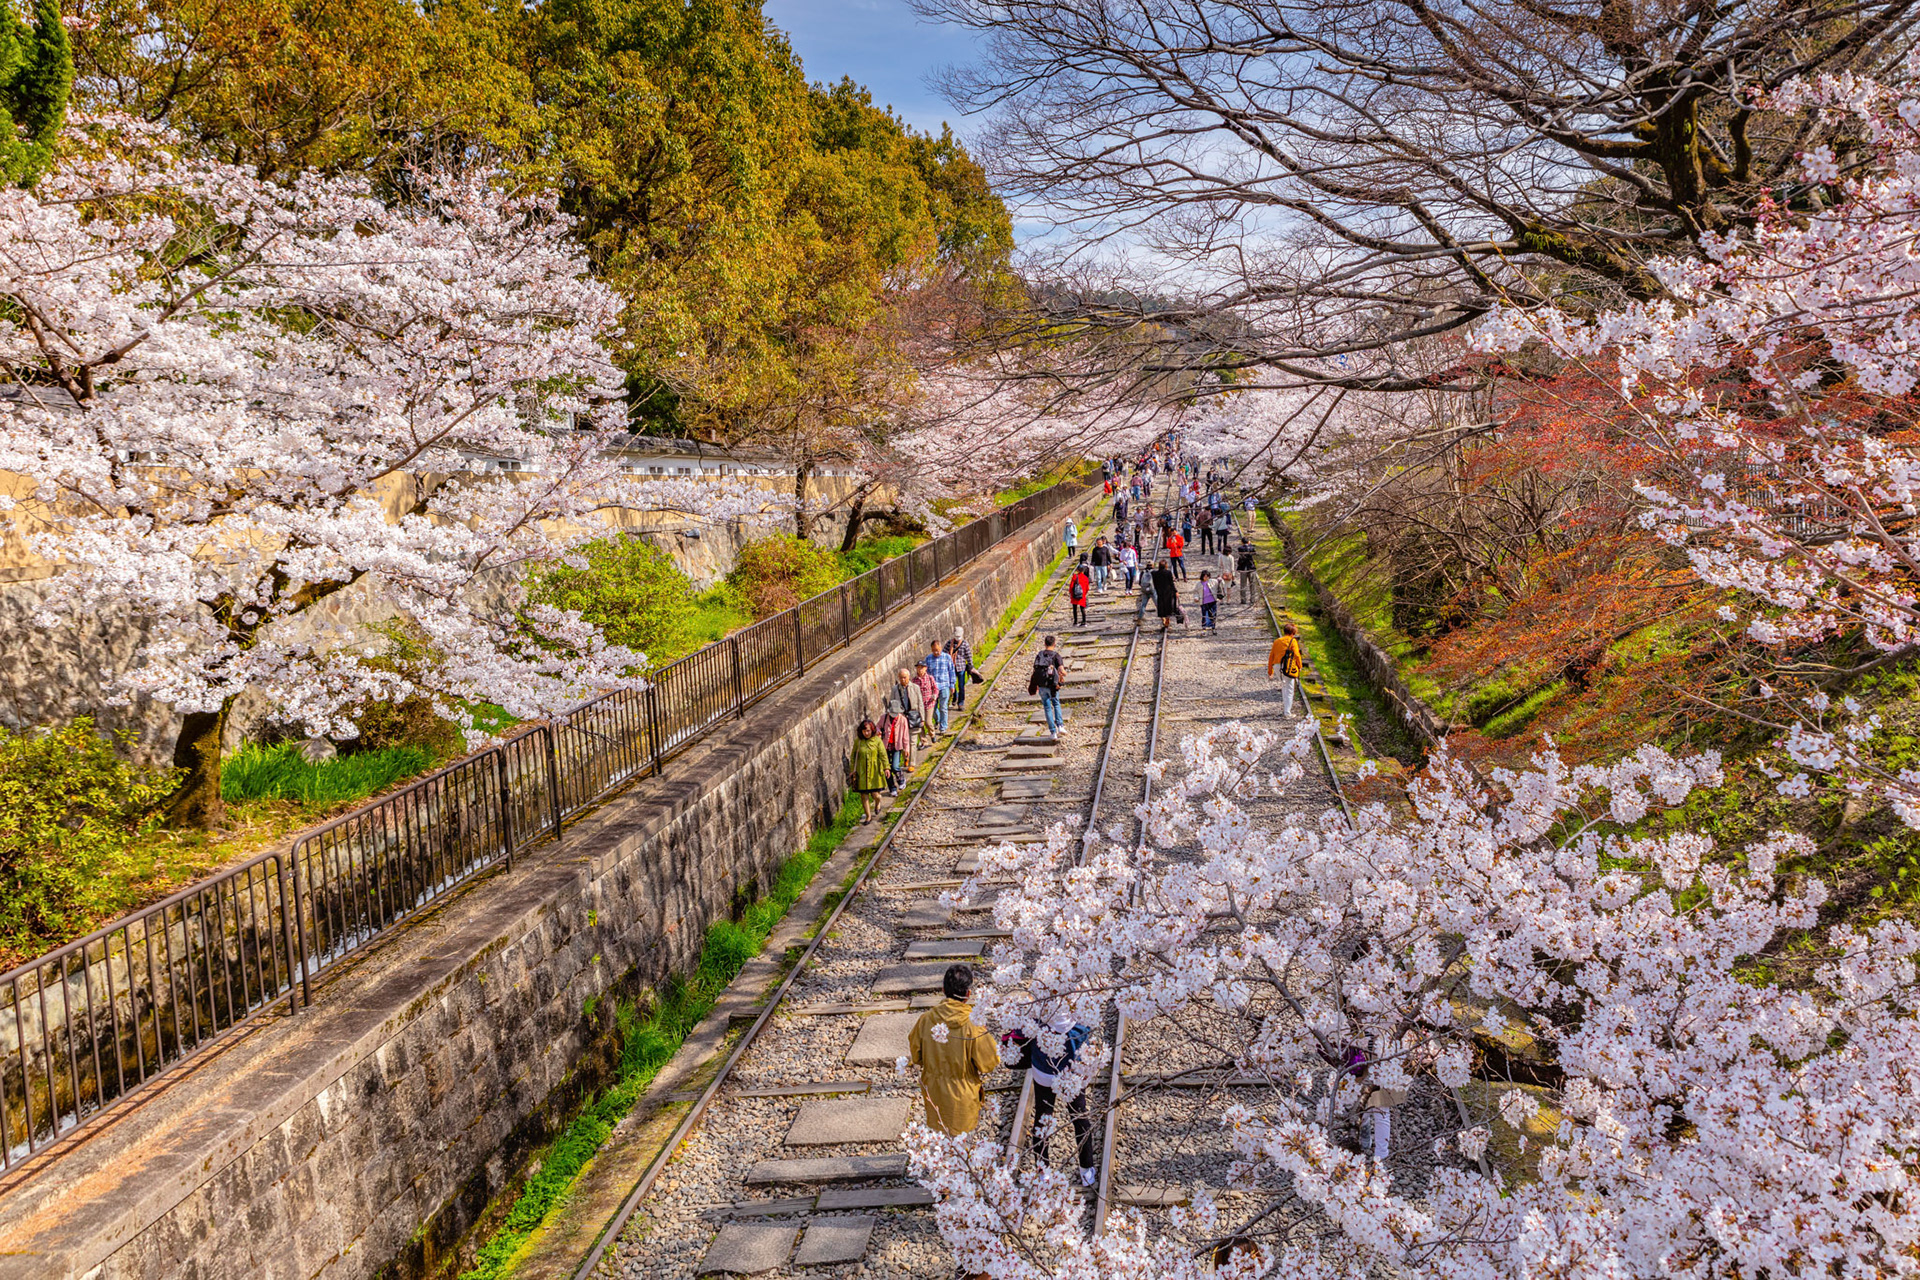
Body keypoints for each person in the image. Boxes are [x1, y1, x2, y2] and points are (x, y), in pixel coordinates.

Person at [908, 964, 1002, 1136]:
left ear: (943, 989)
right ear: (968, 994)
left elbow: (916, 1055)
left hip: (935, 1095)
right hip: (963, 1098)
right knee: (962, 1149)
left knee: (938, 1145)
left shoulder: (926, 1020)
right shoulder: (973, 1025)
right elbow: (988, 1063)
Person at [1006, 1014, 1097, 1187]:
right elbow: (1088, 1030)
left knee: (1042, 1118)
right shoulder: (1078, 1021)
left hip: (1043, 1074)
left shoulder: (1035, 1018)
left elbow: (1020, 1032)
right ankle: (1086, 1169)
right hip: (1073, 1075)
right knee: (1079, 1118)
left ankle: (1043, 1171)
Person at [883, 668, 920, 790]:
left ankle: (911, 763)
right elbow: (892, 703)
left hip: (913, 715)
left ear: (909, 677)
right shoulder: (895, 689)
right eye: (901, 677)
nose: (903, 679)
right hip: (900, 717)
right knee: (902, 740)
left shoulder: (915, 687)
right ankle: (906, 757)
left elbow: (920, 703)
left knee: (912, 741)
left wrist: (922, 718)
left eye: (905, 677)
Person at [850, 719, 889, 822]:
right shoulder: (858, 741)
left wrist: (886, 767)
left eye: (868, 731)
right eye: (864, 731)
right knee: (864, 795)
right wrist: (852, 769)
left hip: (874, 772)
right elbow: (853, 756)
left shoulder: (877, 741)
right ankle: (868, 816)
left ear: (872, 730)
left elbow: (883, 755)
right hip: (862, 772)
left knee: (876, 795)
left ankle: (877, 803)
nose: (866, 733)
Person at [1268, 621, 1306, 716]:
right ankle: (1287, 713)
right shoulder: (1293, 641)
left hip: (1277, 666)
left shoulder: (1277, 641)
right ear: (1293, 633)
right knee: (1289, 688)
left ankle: (1286, 710)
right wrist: (1300, 666)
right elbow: (1297, 655)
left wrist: (1270, 671)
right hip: (1288, 666)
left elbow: (1271, 656)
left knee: (1284, 686)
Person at [1029, 634, 1065, 734]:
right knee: (1056, 704)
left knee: (1047, 707)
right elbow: (1062, 670)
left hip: (1042, 685)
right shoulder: (1056, 655)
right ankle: (1060, 726)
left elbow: (1035, 670)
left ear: (1045, 644)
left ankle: (1053, 732)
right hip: (1053, 685)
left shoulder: (1039, 655)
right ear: (1054, 644)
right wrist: (1063, 674)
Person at [925, 640, 956, 735]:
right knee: (933, 708)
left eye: (937, 650)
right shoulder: (928, 659)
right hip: (933, 688)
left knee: (943, 707)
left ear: (941, 648)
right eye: (934, 650)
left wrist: (952, 685)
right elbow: (926, 674)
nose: (936, 652)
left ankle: (943, 727)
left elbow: (951, 671)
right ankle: (937, 720)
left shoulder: (947, 657)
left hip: (944, 685)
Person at [946, 627, 975, 712]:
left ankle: (961, 702)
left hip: (961, 668)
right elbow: (944, 653)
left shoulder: (965, 644)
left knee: (961, 686)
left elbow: (968, 655)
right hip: (951, 668)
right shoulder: (949, 644)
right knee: (952, 684)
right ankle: (955, 697)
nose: (957, 639)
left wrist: (971, 666)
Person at [913, 660, 938, 747]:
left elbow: (935, 688)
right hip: (919, 705)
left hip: (929, 703)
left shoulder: (930, 678)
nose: (920, 670)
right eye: (918, 668)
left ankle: (932, 734)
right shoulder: (914, 680)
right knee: (920, 724)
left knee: (928, 722)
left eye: (921, 668)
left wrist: (934, 695)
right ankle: (924, 741)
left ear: (925, 668)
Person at [1151, 560, 1179, 631]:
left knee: (1160, 606)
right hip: (1168, 592)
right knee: (1168, 607)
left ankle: (1163, 619)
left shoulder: (1155, 573)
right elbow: (1171, 583)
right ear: (1165, 565)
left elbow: (1154, 582)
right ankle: (1167, 620)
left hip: (1159, 592)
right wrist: (1175, 591)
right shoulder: (1168, 573)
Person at [1069, 558, 1092, 626]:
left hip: (1075, 594)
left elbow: (1071, 586)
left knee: (1075, 608)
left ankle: (1075, 622)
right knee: (1082, 608)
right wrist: (1084, 593)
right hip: (1082, 595)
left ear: (1078, 570)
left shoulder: (1075, 576)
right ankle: (1084, 621)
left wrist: (1071, 593)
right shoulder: (1085, 578)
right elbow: (1087, 588)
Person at [1235, 538, 1258, 605]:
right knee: (1252, 584)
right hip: (1251, 568)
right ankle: (1252, 599)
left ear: (1242, 542)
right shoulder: (1251, 548)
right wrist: (1249, 544)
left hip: (1243, 568)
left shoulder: (1240, 548)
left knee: (1243, 585)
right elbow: (1254, 552)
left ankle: (1243, 599)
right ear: (1248, 542)